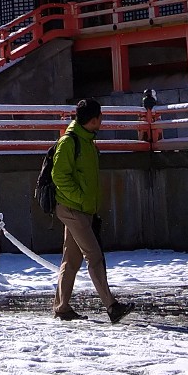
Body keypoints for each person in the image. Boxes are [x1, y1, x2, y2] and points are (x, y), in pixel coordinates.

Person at [50, 98, 126, 323]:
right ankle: (111, 306)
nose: (102, 121)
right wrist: (80, 198)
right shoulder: (70, 142)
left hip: (80, 208)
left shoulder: (87, 141)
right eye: (100, 117)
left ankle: (62, 307)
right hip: (73, 209)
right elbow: (59, 176)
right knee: (94, 255)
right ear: (94, 120)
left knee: (71, 259)